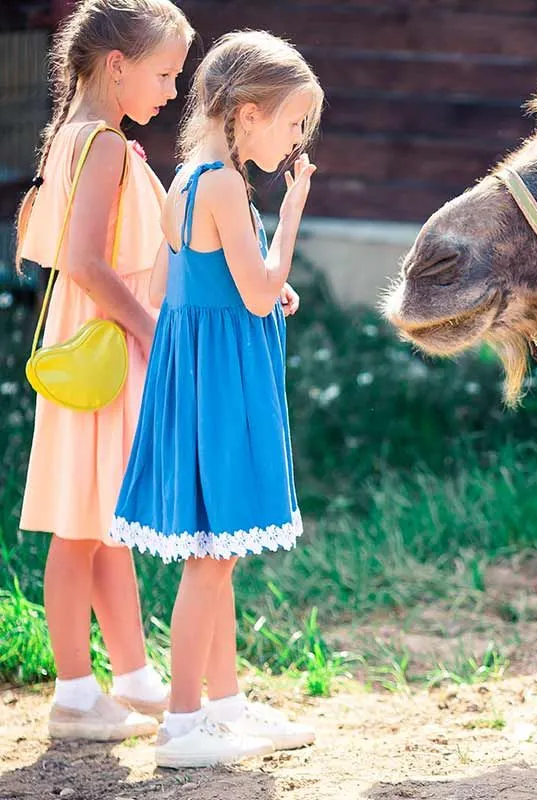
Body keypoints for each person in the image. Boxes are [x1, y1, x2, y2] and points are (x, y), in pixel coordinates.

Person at [110, 29, 322, 769]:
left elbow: (203, 287)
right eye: (294, 123)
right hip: (224, 385)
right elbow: (258, 290)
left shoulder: (191, 178)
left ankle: (224, 704)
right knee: (212, 557)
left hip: (201, 376)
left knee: (220, 549)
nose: (298, 142)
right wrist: (293, 211)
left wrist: (265, 285)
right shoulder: (228, 185)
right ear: (248, 113)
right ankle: (182, 722)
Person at [14, 0, 193, 741]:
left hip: (95, 342)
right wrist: (153, 331)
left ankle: (133, 676)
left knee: (102, 519)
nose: (173, 91)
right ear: (117, 66)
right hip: (109, 348)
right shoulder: (106, 147)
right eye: (163, 73)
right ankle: (76, 695)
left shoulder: (75, 137)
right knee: (79, 529)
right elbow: (87, 262)